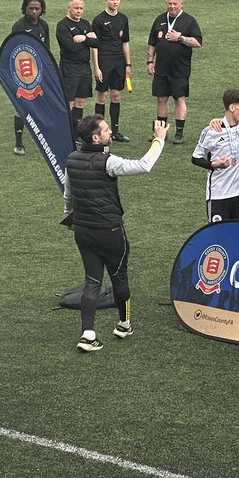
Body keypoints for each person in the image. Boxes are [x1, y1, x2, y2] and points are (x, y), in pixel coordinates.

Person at [66, 117, 168, 351]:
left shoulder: (71, 160)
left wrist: (71, 219)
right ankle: (123, 324)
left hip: (82, 230)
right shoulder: (108, 161)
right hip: (109, 231)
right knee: (119, 277)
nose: (110, 132)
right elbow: (144, 165)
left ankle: (87, 335)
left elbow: (68, 196)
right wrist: (158, 140)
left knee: (92, 281)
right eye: (106, 130)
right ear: (95, 138)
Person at [146, 0, 202, 145]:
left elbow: (197, 42)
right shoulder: (159, 19)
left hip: (180, 69)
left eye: (175, 4)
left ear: (181, 4)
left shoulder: (189, 21)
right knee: (161, 99)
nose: (172, 6)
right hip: (161, 68)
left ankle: (179, 133)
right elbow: (152, 43)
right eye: (169, 3)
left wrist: (180, 38)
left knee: (179, 99)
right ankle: (161, 132)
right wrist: (150, 61)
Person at [191, 90, 239, 222]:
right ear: (232, 108)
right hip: (218, 195)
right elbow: (195, 157)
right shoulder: (211, 131)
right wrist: (213, 165)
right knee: (218, 237)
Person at [89, 0, 132, 143]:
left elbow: (125, 43)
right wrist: (97, 67)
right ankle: (98, 130)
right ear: (106, 0)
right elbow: (94, 45)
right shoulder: (99, 20)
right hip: (104, 61)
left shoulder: (123, 19)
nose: (115, 2)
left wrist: (128, 64)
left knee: (116, 95)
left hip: (119, 62)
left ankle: (115, 130)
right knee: (102, 96)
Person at [10, 0, 50, 155]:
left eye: (37, 9)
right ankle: (19, 142)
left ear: (42, 10)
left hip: (39, 72)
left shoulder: (44, 25)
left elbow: (46, 49)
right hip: (23, 73)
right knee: (20, 106)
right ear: (25, 9)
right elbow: (14, 51)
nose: (34, 11)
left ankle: (42, 139)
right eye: (31, 8)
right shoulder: (18, 26)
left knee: (41, 104)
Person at [56, 0, 94, 143]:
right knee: (69, 103)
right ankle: (65, 133)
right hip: (69, 68)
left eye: (81, 8)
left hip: (84, 68)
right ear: (69, 8)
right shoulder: (62, 25)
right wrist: (87, 40)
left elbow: (96, 43)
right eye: (76, 8)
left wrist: (82, 38)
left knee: (80, 102)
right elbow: (70, 48)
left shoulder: (85, 24)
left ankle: (76, 133)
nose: (79, 11)